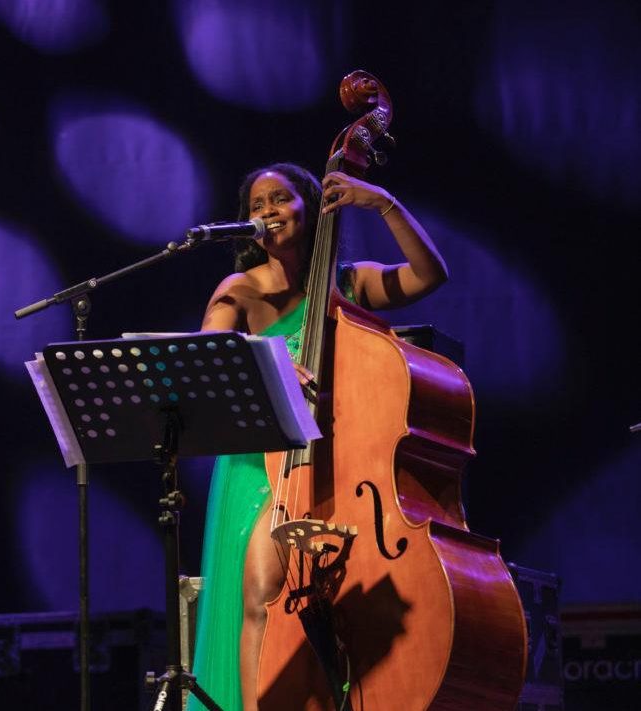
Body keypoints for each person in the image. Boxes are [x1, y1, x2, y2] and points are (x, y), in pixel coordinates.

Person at [187, 162, 448, 711]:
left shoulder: (347, 284)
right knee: (260, 597)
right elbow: (211, 350)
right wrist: (273, 358)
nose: (267, 213)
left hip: (347, 466)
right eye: (257, 206)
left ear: (313, 206)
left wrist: (382, 202)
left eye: (280, 199)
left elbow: (429, 275)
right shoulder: (240, 288)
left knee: (341, 607)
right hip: (264, 467)